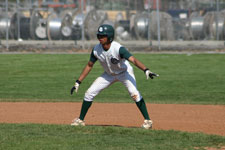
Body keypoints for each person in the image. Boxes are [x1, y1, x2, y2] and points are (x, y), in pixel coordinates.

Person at [70, 24, 158, 129]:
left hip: (125, 73)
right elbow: (89, 65)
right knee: (89, 93)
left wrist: (146, 70)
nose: (100, 38)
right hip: (109, 75)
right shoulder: (96, 50)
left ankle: (148, 121)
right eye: (99, 35)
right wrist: (78, 82)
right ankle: (80, 120)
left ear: (110, 37)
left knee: (134, 94)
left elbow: (133, 59)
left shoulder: (118, 49)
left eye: (103, 36)